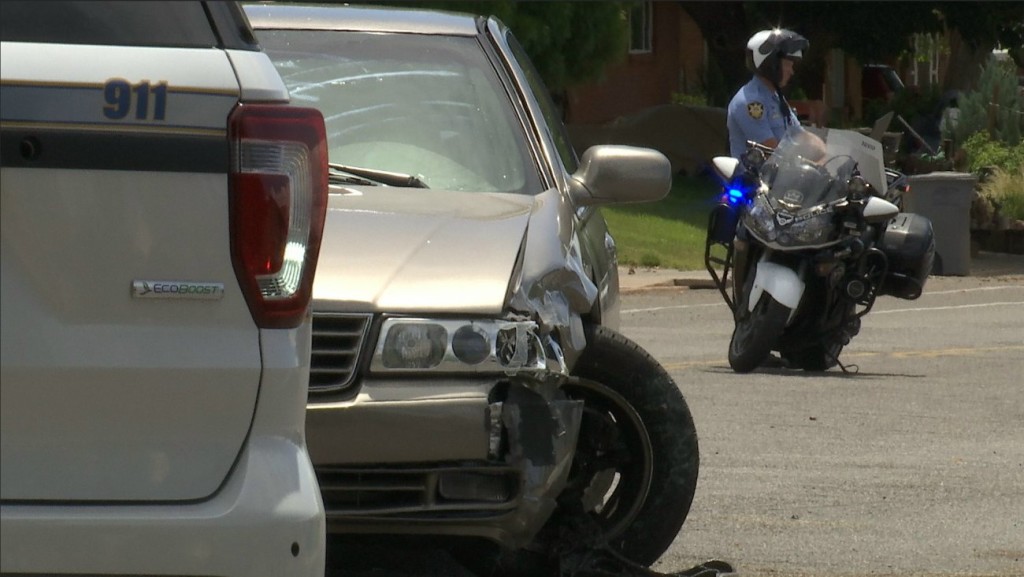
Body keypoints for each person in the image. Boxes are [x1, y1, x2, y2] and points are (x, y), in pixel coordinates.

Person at [727, 28, 809, 159]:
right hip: (755, 178)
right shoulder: (750, 102)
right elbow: (772, 150)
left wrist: (826, 156)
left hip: (782, 177)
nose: (791, 72)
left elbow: (802, 136)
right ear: (771, 64)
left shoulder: (777, 99)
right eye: (788, 65)